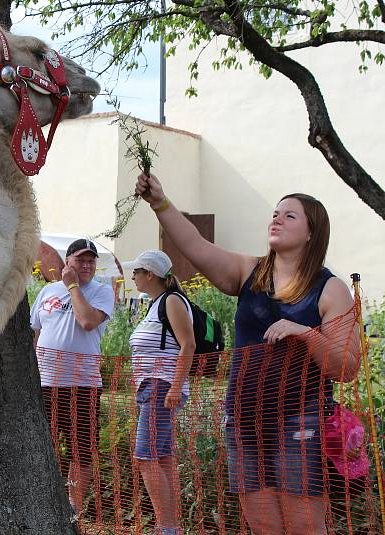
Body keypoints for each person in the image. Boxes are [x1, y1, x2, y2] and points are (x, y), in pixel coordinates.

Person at [135, 173, 360, 535]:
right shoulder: (248, 271)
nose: (276, 218)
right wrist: (160, 202)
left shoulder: (330, 289)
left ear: (311, 233)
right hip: (243, 421)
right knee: (263, 526)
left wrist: (305, 333)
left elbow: (347, 366)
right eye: (275, 212)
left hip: (299, 421)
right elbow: (194, 243)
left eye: (290, 215)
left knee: (304, 527)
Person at [30, 238, 115, 515]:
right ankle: (45, 503)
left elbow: (87, 321)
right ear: (67, 262)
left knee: (81, 449)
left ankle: (73, 509)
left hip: (82, 384)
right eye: (81, 260)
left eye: (91, 260)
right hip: (45, 383)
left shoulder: (101, 291)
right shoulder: (47, 293)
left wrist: (73, 286)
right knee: (45, 445)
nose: (87, 265)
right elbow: (36, 331)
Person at [126, 250, 194, 535]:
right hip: (153, 387)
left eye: (137, 271)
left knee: (145, 457)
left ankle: (166, 528)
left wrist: (176, 387)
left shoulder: (172, 301)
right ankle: (171, 526)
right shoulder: (155, 303)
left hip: (162, 386)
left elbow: (187, 345)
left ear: (150, 274)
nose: (133, 276)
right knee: (161, 456)